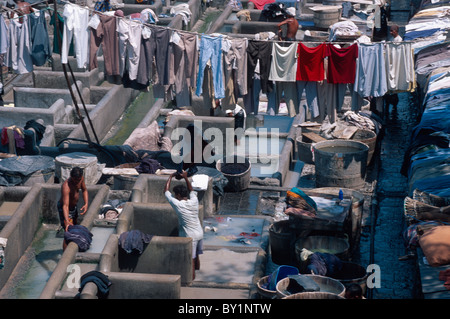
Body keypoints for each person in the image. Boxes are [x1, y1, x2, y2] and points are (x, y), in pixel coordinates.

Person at [164, 170, 203, 280]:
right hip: (200, 232)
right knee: (197, 257)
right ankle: (199, 274)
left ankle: (191, 281)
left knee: (190, 259)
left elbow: (166, 191)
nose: (175, 196)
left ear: (179, 195)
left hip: (190, 236)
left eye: (176, 194)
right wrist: (185, 177)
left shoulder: (178, 204)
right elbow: (191, 190)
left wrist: (171, 176)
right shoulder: (194, 201)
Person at [58, 167, 88, 250]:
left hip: (74, 207)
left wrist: (86, 204)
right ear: (71, 177)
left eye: (78, 180)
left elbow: (84, 190)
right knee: (68, 232)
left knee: (75, 227)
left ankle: (74, 248)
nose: (76, 182)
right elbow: (65, 206)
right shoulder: (66, 186)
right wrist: (67, 220)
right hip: (66, 209)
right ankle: (65, 255)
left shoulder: (80, 178)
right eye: (75, 180)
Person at [383, 24, 403, 118]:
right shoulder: (394, 39)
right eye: (390, 31)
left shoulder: (398, 40)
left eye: (392, 31)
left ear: (396, 31)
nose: (391, 33)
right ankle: (389, 107)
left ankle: (393, 107)